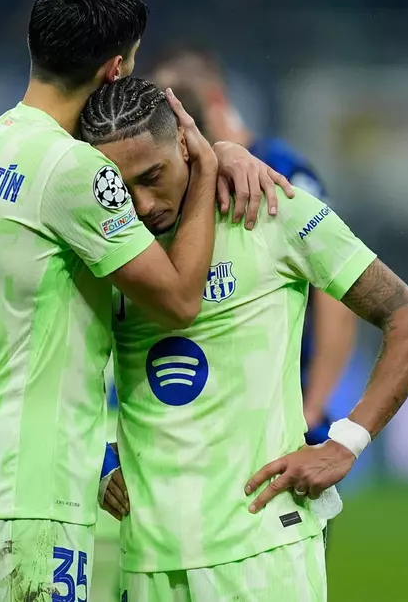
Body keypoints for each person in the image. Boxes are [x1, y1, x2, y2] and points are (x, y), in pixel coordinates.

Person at [0, 0, 294, 599]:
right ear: (115, 69)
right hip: (28, 483)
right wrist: (207, 164)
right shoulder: (73, 171)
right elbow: (178, 300)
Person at [86, 77, 408, 600]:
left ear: (184, 141)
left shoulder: (271, 207)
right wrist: (98, 457)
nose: (140, 203)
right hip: (147, 557)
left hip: (264, 552)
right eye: (121, 187)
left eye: (153, 176)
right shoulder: (108, 240)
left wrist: (346, 442)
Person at [151, 44, 357, 447]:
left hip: (280, 406)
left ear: (211, 100)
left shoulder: (282, 171)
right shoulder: (177, 179)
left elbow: (336, 292)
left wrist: (313, 406)